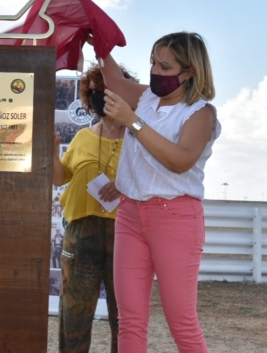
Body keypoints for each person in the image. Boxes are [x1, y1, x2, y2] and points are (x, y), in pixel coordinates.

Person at [97, 31, 221, 352]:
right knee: (130, 321)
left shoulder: (201, 113)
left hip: (176, 219)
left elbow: (180, 161)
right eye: (153, 62)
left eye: (165, 67)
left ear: (190, 72)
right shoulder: (148, 98)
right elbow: (111, 77)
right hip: (129, 215)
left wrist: (132, 121)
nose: (155, 72)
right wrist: (95, 35)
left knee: (181, 321)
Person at [53, 62, 138, 353]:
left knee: (125, 316)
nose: (96, 95)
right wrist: (52, 150)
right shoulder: (83, 137)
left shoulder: (141, 137)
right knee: (74, 313)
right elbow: (59, 177)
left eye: (102, 88)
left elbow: (156, 180)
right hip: (81, 233)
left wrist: (125, 185)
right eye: (92, 92)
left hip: (127, 232)